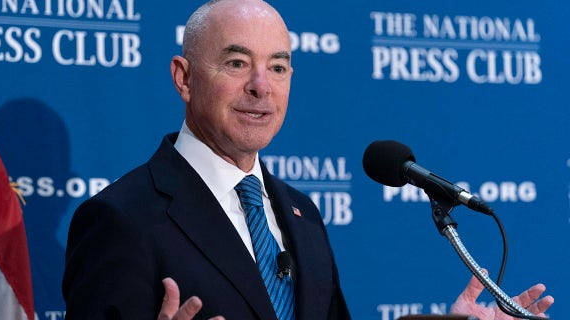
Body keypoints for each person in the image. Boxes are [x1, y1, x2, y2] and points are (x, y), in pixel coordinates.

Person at [62, 0, 554, 319]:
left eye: (277, 66)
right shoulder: (120, 219)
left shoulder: (300, 212)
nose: (261, 85)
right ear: (184, 78)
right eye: (236, 63)